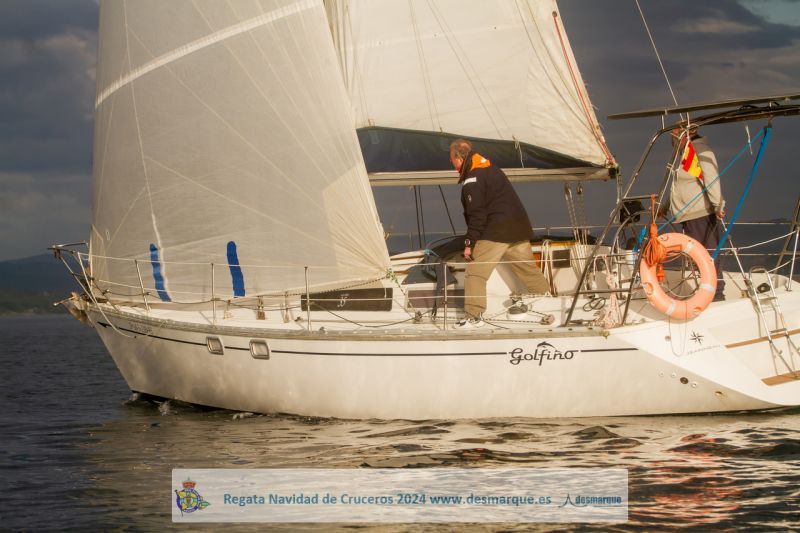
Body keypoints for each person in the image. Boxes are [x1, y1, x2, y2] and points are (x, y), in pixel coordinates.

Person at [448, 139, 550, 327]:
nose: (451, 163)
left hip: (496, 232)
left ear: (458, 158)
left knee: (475, 273)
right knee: (528, 271)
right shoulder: (492, 169)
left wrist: (469, 244)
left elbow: (477, 216)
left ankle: (474, 317)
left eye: (451, 159)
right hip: (518, 230)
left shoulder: (472, 179)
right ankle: (550, 305)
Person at [664, 127, 726, 301]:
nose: (673, 139)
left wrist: (718, 205)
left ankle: (717, 294)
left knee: (708, 255)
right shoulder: (687, 153)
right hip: (688, 215)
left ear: (688, 133)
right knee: (699, 256)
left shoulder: (700, 151)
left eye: (676, 135)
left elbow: (711, 179)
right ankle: (709, 292)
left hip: (700, 214)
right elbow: (680, 186)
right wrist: (665, 207)